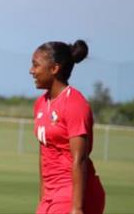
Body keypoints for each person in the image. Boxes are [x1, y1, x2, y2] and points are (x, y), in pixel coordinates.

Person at [29, 40, 105, 214]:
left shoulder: (75, 104)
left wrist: (77, 208)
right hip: (51, 195)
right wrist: (43, 199)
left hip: (73, 193)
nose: (31, 71)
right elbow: (44, 153)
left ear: (54, 68)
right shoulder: (41, 103)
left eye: (36, 65)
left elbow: (80, 159)